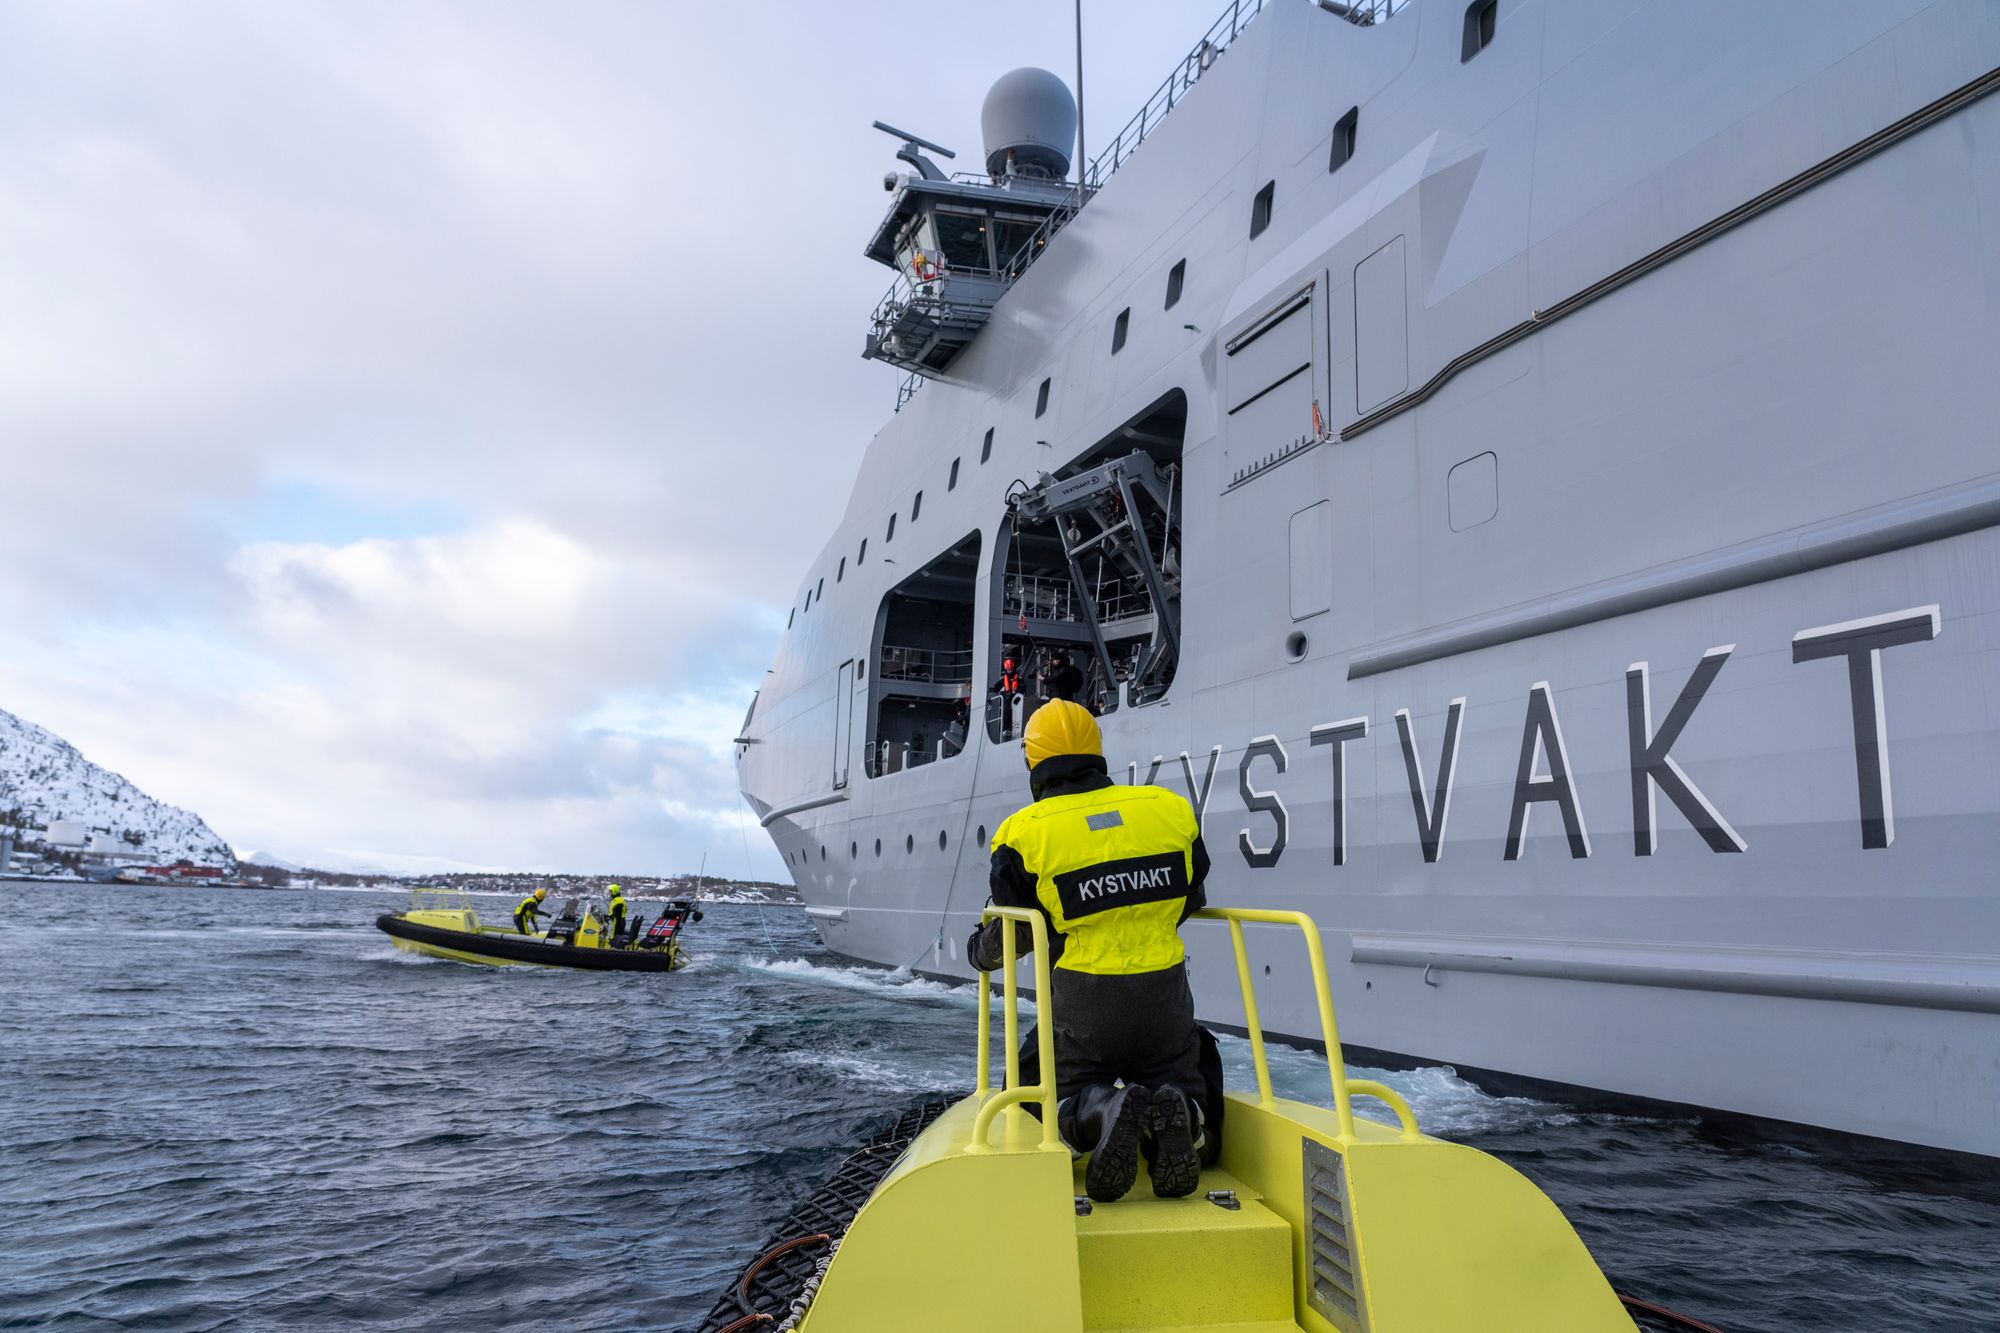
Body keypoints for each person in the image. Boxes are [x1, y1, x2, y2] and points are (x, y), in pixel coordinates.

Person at [967, 700, 1218, 1203]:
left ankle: (1098, 1110)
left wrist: (979, 951)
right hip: (1166, 1005)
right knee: (1191, 1072)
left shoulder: (1023, 833)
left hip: (1084, 1015)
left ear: (1032, 764)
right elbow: (1192, 895)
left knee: (1032, 1094)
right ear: (1098, 753)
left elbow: (1013, 935)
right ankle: (1183, 1110)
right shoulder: (1167, 809)